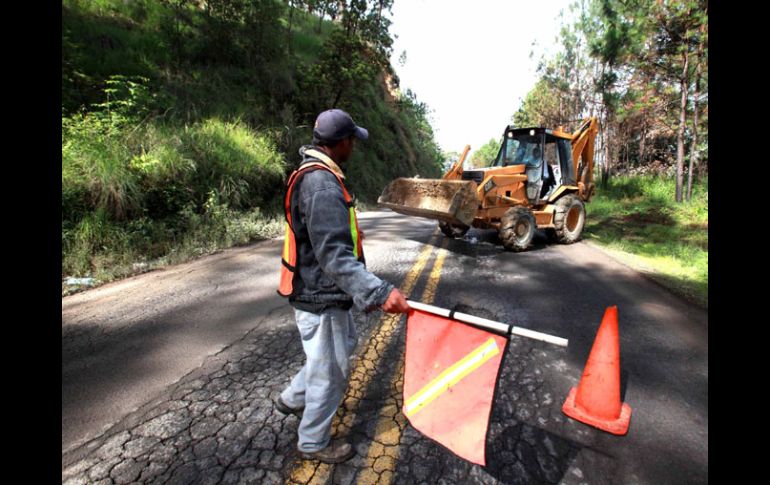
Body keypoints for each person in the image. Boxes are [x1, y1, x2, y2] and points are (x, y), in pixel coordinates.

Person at [275, 108, 410, 464]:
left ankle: (292, 398)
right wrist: (381, 292)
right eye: (351, 139)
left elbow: (320, 236)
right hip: (320, 294)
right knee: (330, 372)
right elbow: (333, 256)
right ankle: (313, 441)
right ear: (340, 143)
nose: (354, 145)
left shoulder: (314, 174)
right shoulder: (321, 184)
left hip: (317, 289)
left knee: (342, 345)